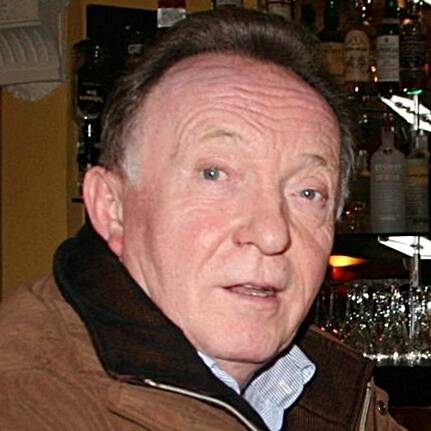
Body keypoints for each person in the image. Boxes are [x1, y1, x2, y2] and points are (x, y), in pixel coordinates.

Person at [0, 8, 406, 431]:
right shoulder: (29, 402)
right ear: (111, 207)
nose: (272, 234)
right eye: (214, 174)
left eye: (308, 193)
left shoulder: (329, 392)